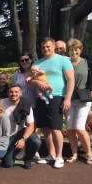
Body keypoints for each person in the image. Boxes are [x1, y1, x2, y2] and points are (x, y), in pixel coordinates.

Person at [28, 37, 74, 169]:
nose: (45, 49)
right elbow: (30, 81)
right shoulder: (38, 62)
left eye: (48, 47)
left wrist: (67, 98)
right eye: (43, 47)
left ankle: (59, 156)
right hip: (41, 98)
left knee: (55, 127)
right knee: (45, 128)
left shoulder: (63, 60)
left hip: (57, 96)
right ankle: (51, 154)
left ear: (54, 46)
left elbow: (71, 80)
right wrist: (38, 82)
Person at [65, 38, 92, 165]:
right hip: (69, 98)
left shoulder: (88, 63)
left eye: (77, 50)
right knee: (70, 128)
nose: (74, 53)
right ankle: (74, 153)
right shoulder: (65, 63)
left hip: (83, 97)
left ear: (81, 50)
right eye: (72, 50)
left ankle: (89, 153)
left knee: (79, 127)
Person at [0, 84, 41, 169]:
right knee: (8, 164)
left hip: (20, 132)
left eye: (16, 92)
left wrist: (23, 139)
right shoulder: (1, 103)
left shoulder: (26, 105)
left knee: (36, 141)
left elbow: (30, 126)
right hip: (7, 135)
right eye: (11, 92)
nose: (13, 94)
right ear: (7, 93)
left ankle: (28, 158)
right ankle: (16, 149)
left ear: (20, 93)